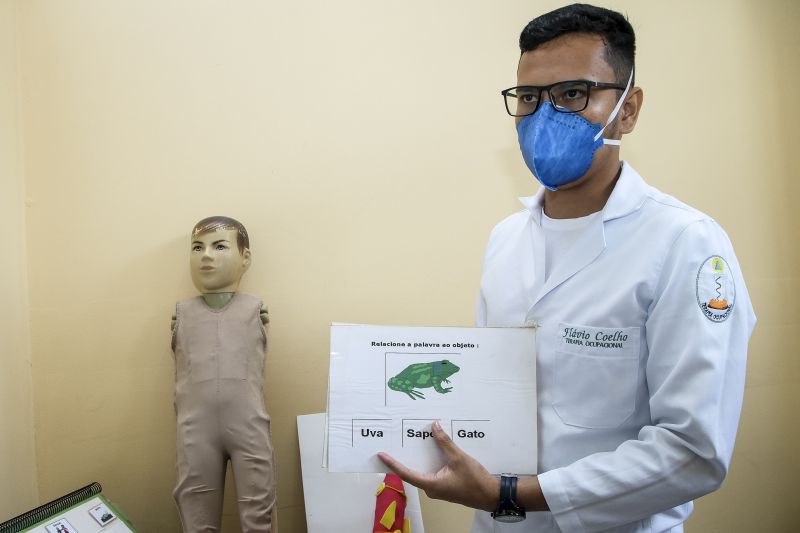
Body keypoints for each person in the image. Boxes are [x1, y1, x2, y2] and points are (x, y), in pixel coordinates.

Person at [378, 4, 756, 532]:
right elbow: (488, 391)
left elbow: (693, 451)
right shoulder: (505, 239)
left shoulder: (685, 245)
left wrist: (512, 494)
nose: (545, 114)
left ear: (628, 108)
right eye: (529, 97)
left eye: (573, 93)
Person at [170, 216, 276, 532]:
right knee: (197, 513)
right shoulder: (182, 312)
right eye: (197, 247)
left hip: (249, 427)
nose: (206, 255)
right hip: (195, 430)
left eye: (219, 246)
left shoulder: (255, 309)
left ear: (245, 258)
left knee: (258, 511)